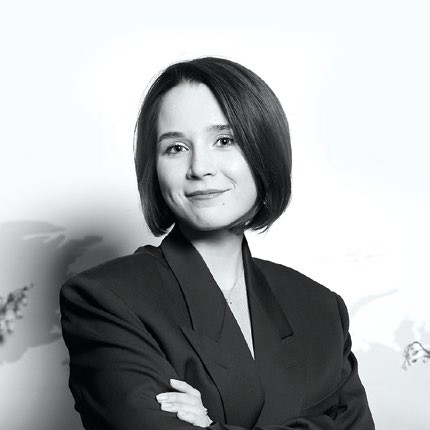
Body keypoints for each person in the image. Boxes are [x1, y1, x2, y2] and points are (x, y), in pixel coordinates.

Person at [60, 57, 375, 430]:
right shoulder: (105, 299)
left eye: (225, 141)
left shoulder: (320, 307)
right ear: (153, 168)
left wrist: (209, 427)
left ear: (265, 152)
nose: (200, 168)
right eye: (176, 148)